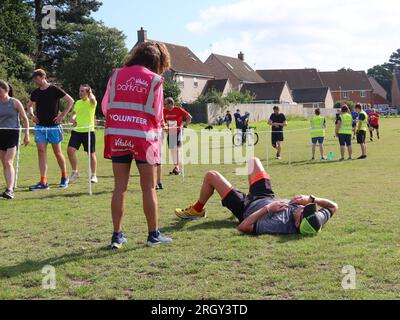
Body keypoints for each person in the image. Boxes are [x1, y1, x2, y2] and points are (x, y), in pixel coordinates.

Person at [102, 41, 173, 249]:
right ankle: (153, 235)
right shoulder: (155, 80)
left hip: (118, 135)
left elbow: (106, 106)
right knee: (148, 188)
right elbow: (158, 114)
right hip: (144, 137)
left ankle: (117, 235)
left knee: (119, 187)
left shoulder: (116, 75)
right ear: (156, 61)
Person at [175, 157, 338, 236]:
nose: (303, 207)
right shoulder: (315, 220)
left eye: (303, 211)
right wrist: (313, 199)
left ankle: (197, 210)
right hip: (265, 195)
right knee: (253, 161)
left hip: (246, 207)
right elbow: (333, 206)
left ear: (297, 222)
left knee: (211, 175)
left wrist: (268, 208)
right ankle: (250, 191)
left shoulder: (278, 225)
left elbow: (243, 227)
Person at [28, 69, 74, 191]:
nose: (35, 81)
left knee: (57, 152)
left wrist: (62, 116)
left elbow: (70, 101)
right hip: (40, 127)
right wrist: (32, 116)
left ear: (43, 77)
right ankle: (43, 182)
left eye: (36, 78)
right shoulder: (35, 92)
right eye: (34, 79)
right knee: (41, 151)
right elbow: (29, 105)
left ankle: (64, 177)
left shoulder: (54, 89)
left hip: (54, 127)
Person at [0, 80, 30, 199]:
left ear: (6, 90)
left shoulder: (15, 102)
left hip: (12, 133)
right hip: (1, 133)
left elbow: (25, 119)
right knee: (4, 163)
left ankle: (10, 190)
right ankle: (8, 188)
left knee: (8, 161)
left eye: (0, 91)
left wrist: (27, 134)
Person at [67, 84, 98, 183]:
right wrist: (73, 118)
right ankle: (75, 172)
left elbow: (93, 99)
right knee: (70, 150)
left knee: (91, 154)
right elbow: (75, 113)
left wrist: (91, 93)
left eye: (82, 91)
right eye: (80, 91)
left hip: (89, 131)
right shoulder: (78, 102)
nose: (80, 93)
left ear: (88, 93)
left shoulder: (92, 102)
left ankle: (94, 175)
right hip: (77, 131)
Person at [163, 97, 192, 176]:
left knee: (176, 149)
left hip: (178, 132)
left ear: (170, 104)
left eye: (165, 104)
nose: (164, 105)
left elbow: (189, 117)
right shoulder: (164, 110)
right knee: (172, 151)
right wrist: (164, 126)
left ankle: (177, 168)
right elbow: (161, 120)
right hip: (171, 132)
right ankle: (176, 167)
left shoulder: (178, 109)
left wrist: (185, 125)